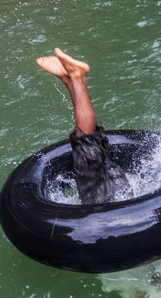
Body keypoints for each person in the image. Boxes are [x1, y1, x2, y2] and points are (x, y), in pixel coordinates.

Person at [36, 47, 131, 204]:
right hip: (110, 204)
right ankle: (75, 77)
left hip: (121, 192)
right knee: (88, 156)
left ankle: (71, 80)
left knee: (95, 157)